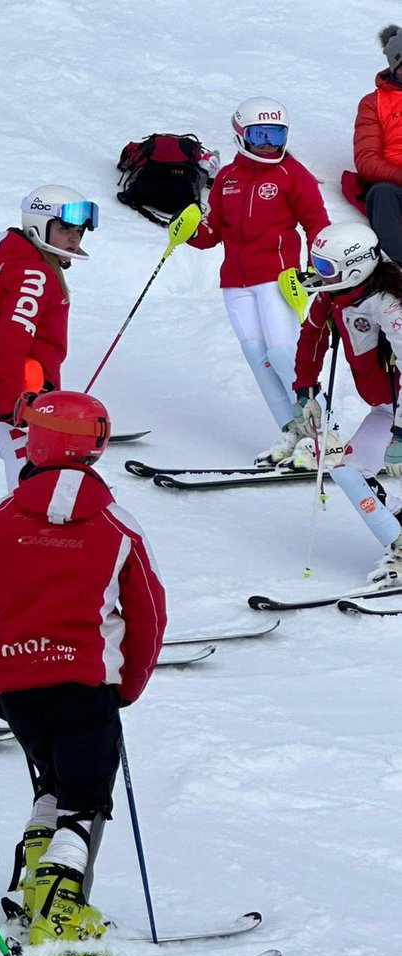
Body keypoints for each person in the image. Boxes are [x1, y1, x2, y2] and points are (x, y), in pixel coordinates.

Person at [0, 391, 166, 956]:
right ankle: (61, 906)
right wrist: (129, 683)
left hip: (19, 688)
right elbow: (150, 612)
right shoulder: (119, 526)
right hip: (88, 685)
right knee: (85, 800)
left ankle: (29, 886)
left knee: (50, 786)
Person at [188, 98, 328, 465]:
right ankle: (291, 429)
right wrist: (187, 230)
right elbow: (212, 233)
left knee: (284, 353)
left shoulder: (292, 174)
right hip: (235, 282)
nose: (269, 143)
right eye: (259, 134)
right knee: (257, 356)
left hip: (278, 278)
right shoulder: (228, 179)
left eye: (276, 134)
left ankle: (322, 433)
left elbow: (316, 221)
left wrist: (323, 264)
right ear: (240, 136)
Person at [0, 185, 98, 491]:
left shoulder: (16, 265)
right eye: (65, 227)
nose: (74, 237)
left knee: (37, 498)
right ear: (38, 226)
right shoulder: (33, 273)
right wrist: (16, 409)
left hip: (9, 407)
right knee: (30, 505)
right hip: (15, 412)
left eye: (79, 230)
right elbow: (11, 343)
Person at [293, 221, 402, 582]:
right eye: (317, 264)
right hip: (387, 407)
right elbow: (311, 338)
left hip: (399, 410)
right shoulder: (333, 295)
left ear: (354, 267)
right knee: (350, 472)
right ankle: (399, 539)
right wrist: (305, 391)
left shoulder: (388, 305)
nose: (318, 275)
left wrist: (400, 435)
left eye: (325, 268)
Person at [343, 25, 402, 263]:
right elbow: (366, 159)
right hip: (394, 185)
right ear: (395, 67)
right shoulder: (373, 103)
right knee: (381, 193)